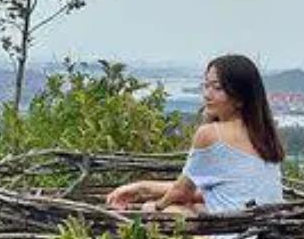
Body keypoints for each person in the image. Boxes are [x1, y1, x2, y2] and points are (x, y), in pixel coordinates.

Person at [105, 54, 284, 215]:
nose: (207, 95)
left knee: (171, 210)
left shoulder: (210, 134)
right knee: (196, 206)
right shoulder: (264, 135)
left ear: (240, 97)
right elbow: (215, 191)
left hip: (233, 233)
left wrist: (156, 207)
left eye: (217, 88)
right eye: (206, 86)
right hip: (265, 228)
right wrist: (141, 188)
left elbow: (182, 192)